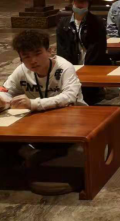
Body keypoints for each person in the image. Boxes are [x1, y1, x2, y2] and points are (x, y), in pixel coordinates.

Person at [0, 30, 86, 190]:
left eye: (38, 53)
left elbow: (69, 97)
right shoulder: (21, 70)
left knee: (56, 145)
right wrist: (3, 100)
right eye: (26, 56)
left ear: (49, 51)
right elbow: (6, 90)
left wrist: (33, 103)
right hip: (38, 120)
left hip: (72, 119)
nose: (33, 61)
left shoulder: (64, 67)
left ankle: (37, 158)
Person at [56, 0, 110, 104]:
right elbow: (61, 50)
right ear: (72, 2)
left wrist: (87, 70)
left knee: (90, 98)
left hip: (91, 68)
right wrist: (69, 68)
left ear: (88, 3)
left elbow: (98, 50)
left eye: (83, 1)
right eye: (77, 1)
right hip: (70, 68)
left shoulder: (97, 22)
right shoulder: (63, 24)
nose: (80, 5)